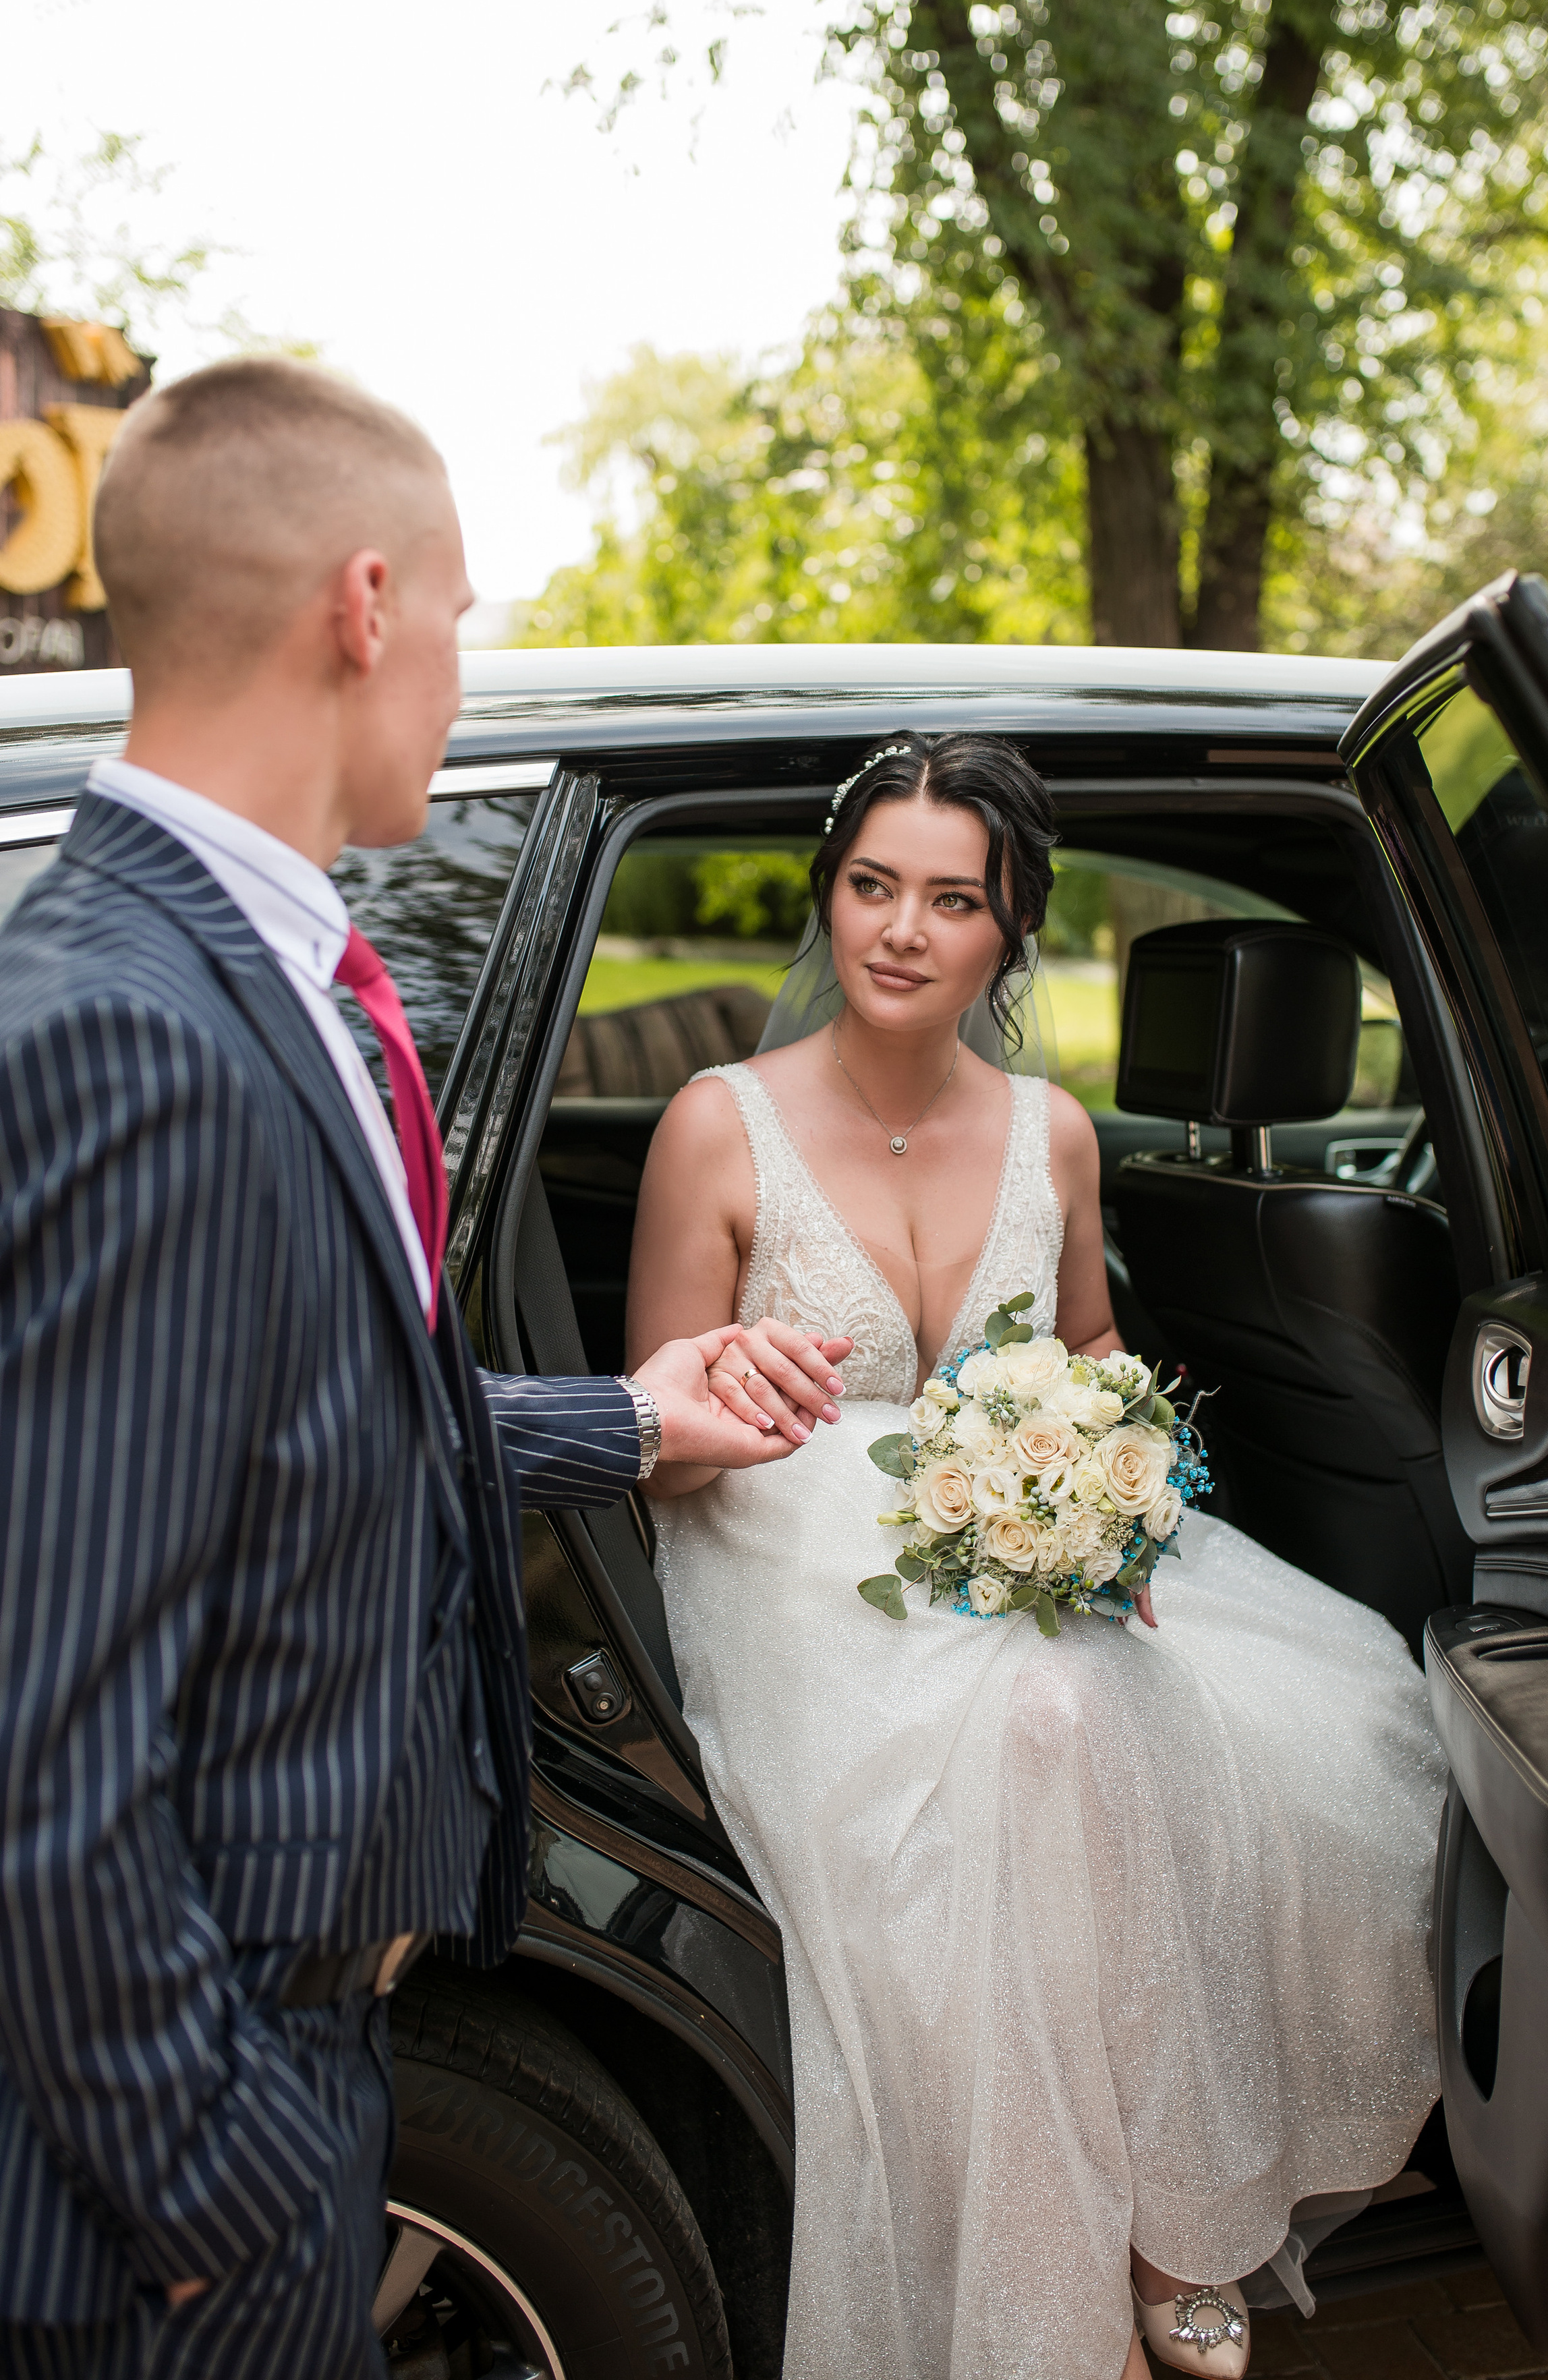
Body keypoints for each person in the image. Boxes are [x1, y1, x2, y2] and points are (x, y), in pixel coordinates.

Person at [0, 357, 842, 2379]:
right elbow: (45, 1743)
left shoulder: (259, 980)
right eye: (466, 616)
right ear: (365, 605)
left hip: (303, 2050)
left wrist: (632, 1417)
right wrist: (220, 2181)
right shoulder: (126, 1035)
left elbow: (262, 1442)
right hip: (175, 2183)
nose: (463, 666)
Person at [627, 732, 1450, 2380]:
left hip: (1019, 1541)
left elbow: (1088, 1354)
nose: (900, 931)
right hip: (792, 1554)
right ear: (828, 897)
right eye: (870, 886)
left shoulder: (1055, 1135)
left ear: (1009, 929)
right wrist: (734, 1391)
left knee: (1349, 1718)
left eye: (950, 898)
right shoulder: (713, 1130)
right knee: (1049, 1724)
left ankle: (1167, 2227)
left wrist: (1112, 1493)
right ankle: (1114, 2266)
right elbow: (648, 1430)